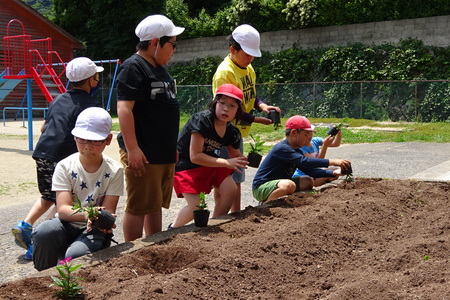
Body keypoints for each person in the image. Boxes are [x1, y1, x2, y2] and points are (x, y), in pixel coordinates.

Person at [12, 57, 104, 260]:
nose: (98, 81)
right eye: (96, 77)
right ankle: (37, 241)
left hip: (43, 153)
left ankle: (25, 225)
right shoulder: (90, 103)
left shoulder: (58, 99)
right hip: (63, 158)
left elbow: (45, 127)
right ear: (91, 80)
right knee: (64, 200)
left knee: (48, 195)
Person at [116, 15, 184, 241]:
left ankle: (155, 244)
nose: (174, 50)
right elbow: (124, 108)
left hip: (162, 151)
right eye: (172, 44)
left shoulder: (160, 68)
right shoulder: (134, 67)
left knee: (154, 203)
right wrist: (133, 148)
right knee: (138, 205)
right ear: (155, 42)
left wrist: (171, 146)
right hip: (144, 151)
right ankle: (131, 252)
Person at [32, 107, 124, 271]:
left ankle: (71, 273)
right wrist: (91, 212)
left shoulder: (114, 170)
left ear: (108, 139)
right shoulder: (64, 166)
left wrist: (104, 219)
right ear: (74, 137)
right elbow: (64, 210)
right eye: (82, 139)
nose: (88, 146)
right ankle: (43, 277)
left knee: (76, 255)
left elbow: (109, 211)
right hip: (65, 225)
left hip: (94, 230)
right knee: (44, 231)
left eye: (95, 141)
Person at [212, 24, 281, 213]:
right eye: (247, 54)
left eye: (252, 55)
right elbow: (229, 109)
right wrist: (257, 120)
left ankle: (236, 214)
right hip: (223, 133)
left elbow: (251, 95)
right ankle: (221, 217)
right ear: (232, 49)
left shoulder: (248, 67)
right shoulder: (225, 73)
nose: (250, 58)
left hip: (236, 132)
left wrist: (263, 107)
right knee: (224, 179)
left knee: (237, 176)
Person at [171, 84, 248, 228]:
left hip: (209, 163)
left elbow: (236, 155)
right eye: (222, 103)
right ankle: (172, 229)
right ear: (214, 103)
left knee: (230, 189)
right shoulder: (202, 120)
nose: (226, 108)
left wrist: (243, 160)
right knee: (197, 207)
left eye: (232, 106)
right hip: (186, 164)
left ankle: (215, 224)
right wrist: (226, 162)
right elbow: (195, 156)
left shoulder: (231, 131)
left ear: (237, 111)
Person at [252, 116, 351, 203]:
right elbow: (305, 161)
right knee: (289, 185)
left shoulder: (297, 151)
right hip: (261, 187)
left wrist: (333, 173)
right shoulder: (282, 148)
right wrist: (333, 162)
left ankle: (282, 197)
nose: (309, 138)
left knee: (308, 181)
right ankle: (266, 204)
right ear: (294, 133)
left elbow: (310, 171)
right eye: (306, 134)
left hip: (279, 183)